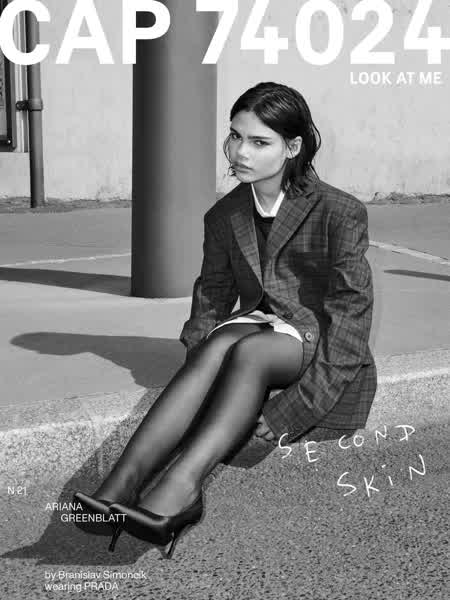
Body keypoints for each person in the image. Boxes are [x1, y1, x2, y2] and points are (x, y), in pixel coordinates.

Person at [73, 81, 377, 559]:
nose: (240, 151)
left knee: (248, 349)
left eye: (259, 141)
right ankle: (120, 486)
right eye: (235, 136)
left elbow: (351, 320)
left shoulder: (338, 212)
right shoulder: (225, 214)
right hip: (260, 324)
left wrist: (290, 411)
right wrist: (198, 375)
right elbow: (212, 295)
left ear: (292, 147)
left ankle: (181, 488)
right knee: (216, 343)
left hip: (317, 338)